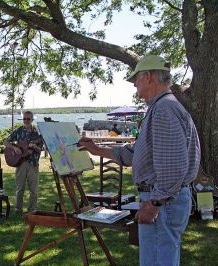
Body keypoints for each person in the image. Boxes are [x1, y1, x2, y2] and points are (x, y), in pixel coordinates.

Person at [78, 55, 200, 266]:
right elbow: (135, 154)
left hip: (163, 200)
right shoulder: (161, 107)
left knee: (158, 260)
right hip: (165, 199)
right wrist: (97, 149)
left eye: (136, 79)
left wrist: (154, 203)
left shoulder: (164, 109)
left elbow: (173, 166)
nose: (134, 84)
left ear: (150, 77)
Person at [5, 111, 43, 213]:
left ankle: (32, 209)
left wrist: (34, 147)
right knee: (20, 188)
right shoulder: (18, 131)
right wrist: (14, 148)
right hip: (20, 162)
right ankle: (18, 208)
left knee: (34, 189)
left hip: (33, 163)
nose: (26, 120)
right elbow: (6, 142)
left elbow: (40, 150)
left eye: (28, 119)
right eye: (24, 118)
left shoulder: (37, 133)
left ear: (32, 120)